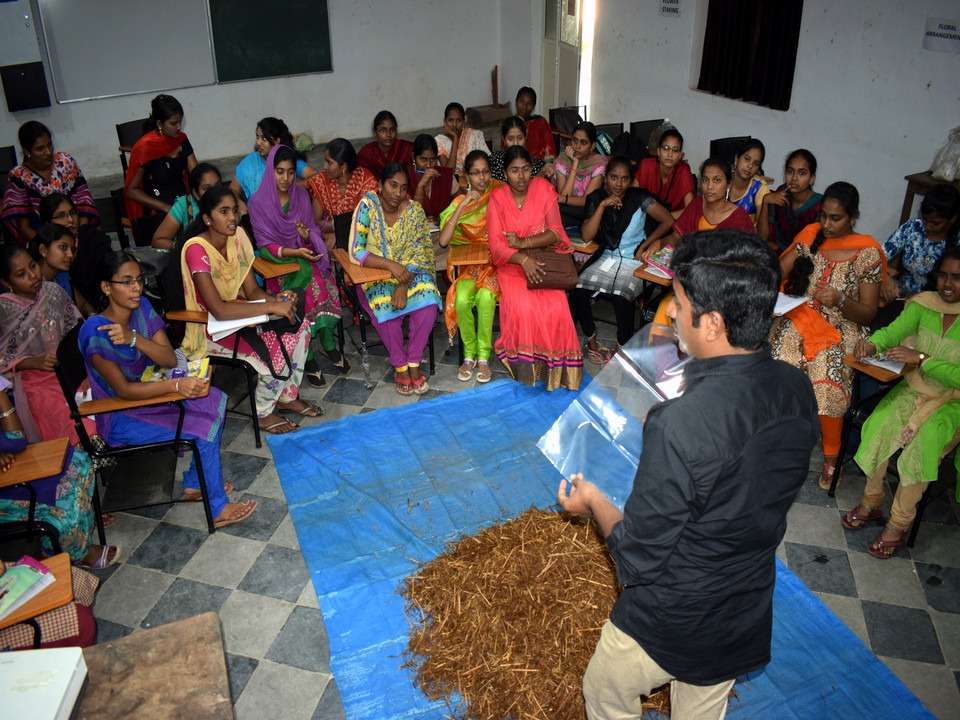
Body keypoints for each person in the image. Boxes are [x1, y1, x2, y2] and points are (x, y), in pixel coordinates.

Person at [557, 230, 818, 720]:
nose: (671, 313)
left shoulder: (680, 423)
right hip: (741, 610)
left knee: (605, 691)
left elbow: (638, 556)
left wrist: (593, 500)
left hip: (673, 616)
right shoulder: (794, 386)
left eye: (677, 302)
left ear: (714, 322)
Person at [80, 251, 256, 528]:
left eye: (138, 279)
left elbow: (169, 358)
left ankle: (194, 482)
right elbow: (124, 390)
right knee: (203, 428)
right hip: (122, 415)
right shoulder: (96, 331)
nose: (136, 288)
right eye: (126, 282)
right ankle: (217, 507)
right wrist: (176, 385)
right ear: (106, 287)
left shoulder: (141, 309)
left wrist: (135, 339)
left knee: (215, 399)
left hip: (151, 394)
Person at [843, 246, 960, 559]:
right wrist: (873, 343)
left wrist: (922, 358)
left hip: (952, 403)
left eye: (957, 278)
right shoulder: (925, 305)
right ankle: (872, 500)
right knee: (879, 426)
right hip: (915, 388)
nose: (948, 284)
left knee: (920, 451)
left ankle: (898, 524)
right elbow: (895, 331)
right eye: (944, 275)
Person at [770, 181, 884, 489]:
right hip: (802, 314)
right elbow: (776, 272)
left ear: (853, 217)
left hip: (842, 325)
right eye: (824, 216)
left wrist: (843, 301)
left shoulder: (867, 252)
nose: (827, 224)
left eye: (836, 218)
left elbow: (869, 313)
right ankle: (779, 439)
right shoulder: (811, 235)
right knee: (781, 358)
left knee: (827, 372)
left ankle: (832, 456)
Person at [180, 185, 316, 435]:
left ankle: (287, 395)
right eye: (223, 212)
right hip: (211, 328)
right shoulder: (197, 250)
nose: (232, 217)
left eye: (233, 210)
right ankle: (263, 412)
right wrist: (271, 306)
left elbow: (253, 292)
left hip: (242, 315)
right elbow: (219, 310)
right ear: (208, 219)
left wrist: (278, 300)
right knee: (275, 348)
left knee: (300, 327)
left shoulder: (239, 237)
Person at [485, 146, 582, 391]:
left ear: (532, 169)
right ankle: (530, 370)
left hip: (543, 259)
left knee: (557, 306)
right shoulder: (497, 198)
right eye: (514, 170)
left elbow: (556, 233)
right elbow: (497, 248)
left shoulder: (544, 189)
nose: (521, 176)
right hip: (511, 263)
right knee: (524, 306)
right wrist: (522, 258)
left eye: (526, 169)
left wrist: (526, 245)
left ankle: (556, 371)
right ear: (505, 173)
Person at [248, 145, 343, 380]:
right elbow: (264, 244)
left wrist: (305, 235)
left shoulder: (300, 194)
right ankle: (308, 354)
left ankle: (327, 340)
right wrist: (295, 251)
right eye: (279, 172)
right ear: (270, 170)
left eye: (291, 172)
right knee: (306, 285)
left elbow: (311, 228)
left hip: (303, 254)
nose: (285, 178)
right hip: (277, 261)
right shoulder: (257, 203)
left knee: (321, 279)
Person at [349, 163, 442, 395]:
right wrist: (389, 264)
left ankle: (414, 361)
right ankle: (400, 366)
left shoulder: (414, 211)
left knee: (429, 302)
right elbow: (356, 251)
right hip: (374, 276)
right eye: (392, 185)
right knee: (386, 308)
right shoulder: (367, 206)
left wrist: (402, 283)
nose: (397, 193)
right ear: (380, 185)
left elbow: (420, 253)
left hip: (410, 273)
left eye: (402, 188)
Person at [0, 388, 119, 568]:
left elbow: (16, 439)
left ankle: (78, 537)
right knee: (62, 506)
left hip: (11, 467)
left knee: (80, 463)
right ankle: (75, 553)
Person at [571, 157, 674, 362]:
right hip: (606, 257)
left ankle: (621, 347)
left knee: (622, 295)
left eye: (624, 179)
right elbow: (586, 236)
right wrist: (602, 206)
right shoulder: (596, 197)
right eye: (613, 178)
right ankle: (591, 341)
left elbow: (668, 220)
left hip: (633, 261)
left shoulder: (639, 198)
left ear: (631, 181)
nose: (618, 184)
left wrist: (647, 244)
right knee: (577, 290)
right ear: (605, 178)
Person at [0, 244, 91, 444]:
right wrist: (31, 362)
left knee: (97, 397)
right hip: (32, 382)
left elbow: (75, 328)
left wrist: (83, 367)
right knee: (64, 415)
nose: (33, 276)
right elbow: (2, 357)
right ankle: (78, 461)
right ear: (7, 282)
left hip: (70, 369)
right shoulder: (4, 309)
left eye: (33, 266)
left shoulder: (53, 290)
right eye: (21, 274)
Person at [438, 150, 502, 383]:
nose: (482, 178)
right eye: (475, 173)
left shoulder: (499, 194)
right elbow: (444, 240)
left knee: (486, 298)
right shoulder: (459, 202)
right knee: (462, 299)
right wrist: (464, 202)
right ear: (466, 176)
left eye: (485, 172)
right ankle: (469, 354)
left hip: (495, 266)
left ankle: (483, 358)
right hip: (468, 266)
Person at [1, 121, 100, 243]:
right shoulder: (19, 177)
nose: (48, 152)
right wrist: (51, 248)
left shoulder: (65, 162)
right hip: (45, 241)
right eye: (40, 149)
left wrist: (80, 236)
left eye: (49, 145)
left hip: (79, 232)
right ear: (27, 151)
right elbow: (24, 227)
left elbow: (84, 202)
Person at [639, 158, 755, 261]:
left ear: (728, 184)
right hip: (689, 275)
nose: (709, 186)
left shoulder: (740, 219)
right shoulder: (696, 205)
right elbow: (676, 237)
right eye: (705, 180)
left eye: (717, 180)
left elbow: (747, 260)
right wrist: (659, 243)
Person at [123, 94, 199, 246]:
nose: (178, 127)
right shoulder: (145, 148)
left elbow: (197, 174)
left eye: (180, 122)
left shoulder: (181, 139)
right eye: (173, 123)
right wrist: (166, 208)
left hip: (183, 201)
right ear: (159, 123)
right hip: (157, 207)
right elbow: (131, 190)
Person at [881, 184, 960, 303]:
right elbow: (876, 256)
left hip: (938, 303)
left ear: (953, 218)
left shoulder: (956, 241)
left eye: (936, 223)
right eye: (925, 219)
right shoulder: (913, 228)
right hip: (900, 297)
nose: (928, 226)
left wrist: (922, 299)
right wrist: (885, 277)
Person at [38, 193, 111, 319]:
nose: (70, 220)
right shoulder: (42, 274)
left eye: (72, 213)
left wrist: (95, 320)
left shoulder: (93, 239)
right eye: (61, 216)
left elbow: (83, 305)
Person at [306, 138, 378, 248]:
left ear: (343, 167)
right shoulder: (320, 181)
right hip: (328, 240)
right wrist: (334, 232)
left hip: (361, 240)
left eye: (329, 163)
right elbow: (315, 223)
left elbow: (368, 220)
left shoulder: (365, 181)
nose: (325, 167)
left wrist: (339, 234)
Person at [231, 117, 315, 202]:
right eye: (257, 137)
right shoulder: (249, 162)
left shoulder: (287, 160)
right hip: (257, 213)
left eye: (264, 139)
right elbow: (233, 189)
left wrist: (292, 188)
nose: (258, 142)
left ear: (277, 141)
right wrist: (239, 203)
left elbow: (315, 177)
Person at [759, 149, 821, 252]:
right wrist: (765, 202)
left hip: (804, 260)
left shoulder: (819, 205)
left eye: (802, 173)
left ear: (812, 179)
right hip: (776, 256)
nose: (794, 178)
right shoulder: (780, 194)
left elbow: (815, 247)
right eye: (790, 172)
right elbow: (762, 237)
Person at [29, 223, 95, 317]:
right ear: (43, 250)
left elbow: (84, 305)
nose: (70, 255)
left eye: (72, 249)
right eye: (63, 247)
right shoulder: (32, 284)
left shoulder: (61, 278)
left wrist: (93, 319)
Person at [152, 163, 222, 250]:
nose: (214, 192)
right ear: (195, 193)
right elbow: (158, 241)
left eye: (217, 186)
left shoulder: (227, 201)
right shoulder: (184, 205)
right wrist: (185, 247)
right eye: (206, 188)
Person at [631, 128, 696, 218]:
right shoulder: (646, 165)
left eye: (675, 150)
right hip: (645, 220)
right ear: (658, 151)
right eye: (666, 148)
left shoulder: (683, 170)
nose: (670, 154)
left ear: (681, 156)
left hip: (674, 220)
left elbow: (691, 209)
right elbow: (631, 199)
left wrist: (663, 218)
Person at [553, 121, 608, 228]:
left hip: (586, 212)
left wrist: (564, 199)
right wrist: (574, 164)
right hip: (566, 210)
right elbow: (564, 194)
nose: (577, 146)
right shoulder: (563, 160)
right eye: (575, 140)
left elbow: (588, 201)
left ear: (592, 146)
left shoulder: (599, 164)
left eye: (583, 142)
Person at [406, 134, 459, 222]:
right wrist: (421, 186)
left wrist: (446, 216)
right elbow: (411, 215)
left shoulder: (446, 176)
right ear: (413, 157)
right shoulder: (406, 177)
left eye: (432, 160)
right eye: (423, 160)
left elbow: (461, 202)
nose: (429, 165)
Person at [488, 116, 553, 183]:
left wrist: (543, 171)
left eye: (520, 138)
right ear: (503, 139)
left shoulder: (536, 164)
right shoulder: (493, 161)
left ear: (525, 137)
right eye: (510, 139)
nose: (515, 143)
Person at [435, 102, 490, 172]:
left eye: (459, 120)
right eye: (450, 120)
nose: (454, 125)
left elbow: (487, 162)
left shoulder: (475, 135)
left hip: (477, 178)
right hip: (453, 182)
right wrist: (455, 139)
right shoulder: (439, 141)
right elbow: (449, 172)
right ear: (444, 121)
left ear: (464, 122)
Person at [357, 110, 414, 177]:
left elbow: (418, 171)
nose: (388, 134)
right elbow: (360, 178)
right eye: (383, 130)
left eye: (392, 130)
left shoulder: (406, 148)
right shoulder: (366, 154)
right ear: (375, 133)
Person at [728, 138, 770, 226]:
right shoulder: (723, 179)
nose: (750, 166)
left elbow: (762, 234)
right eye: (747, 159)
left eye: (756, 163)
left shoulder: (760, 188)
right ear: (736, 159)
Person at [514, 86, 556, 160]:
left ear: (533, 107)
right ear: (516, 102)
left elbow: (550, 151)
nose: (525, 107)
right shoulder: (510, 124)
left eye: (529, 104)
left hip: (540, 165)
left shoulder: (540, 123)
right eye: (521, 102)